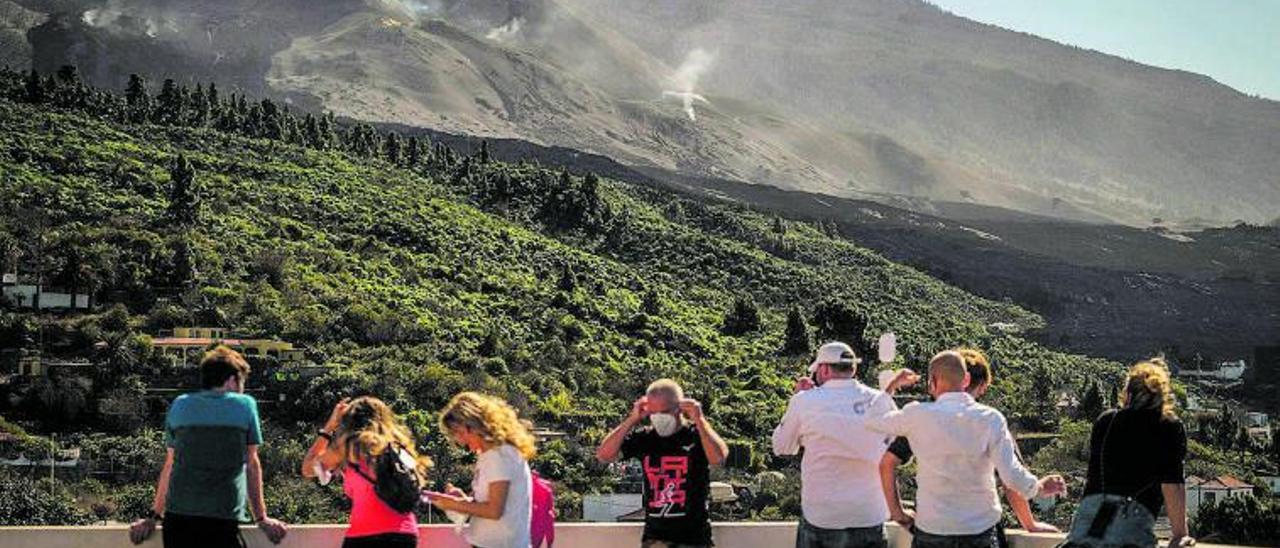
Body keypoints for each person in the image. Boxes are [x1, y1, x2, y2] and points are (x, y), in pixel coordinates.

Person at [866, 350, 1066, 548]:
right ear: (966, 379)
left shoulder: (916, 416)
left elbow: (873, 421)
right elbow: (1011, 475)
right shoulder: (991, 419)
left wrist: (892, 386)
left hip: (932, 531)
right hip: (980, 532)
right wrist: (1038, 487)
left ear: (932, 382)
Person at [129, 345, 288, 547]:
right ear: (232, 380)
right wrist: (261, 518)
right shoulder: (244, 405)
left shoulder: (180, 404)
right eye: (241, 383)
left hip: (177, 519)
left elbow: (170, 465)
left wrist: (153, 516)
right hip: (221, 518)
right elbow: (251, 464)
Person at [771, 342, 901, 548]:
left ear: (823, 369)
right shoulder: (880, 401)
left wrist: (796, 398)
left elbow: (782, 447)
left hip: (822, 518)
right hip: (869, 516)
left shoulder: (805, 401)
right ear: (854, 368)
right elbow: (895, 452)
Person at [1064, 359, 1193, 548]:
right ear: (1162, 394)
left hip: (1087, 525)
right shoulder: (1168, 425)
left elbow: (1093, 479)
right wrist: (1180, 534)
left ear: (1128, 393)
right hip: (1129, 526)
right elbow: (1172, 485)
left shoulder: (1106, 420)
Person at [596, 379, 730, 548]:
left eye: (664, 412)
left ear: (679, 409)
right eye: (653, 413)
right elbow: (604, 455)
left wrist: (700, 420)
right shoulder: (645, 439)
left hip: (694, 539)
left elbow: (718, 457)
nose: (658, 418)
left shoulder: (695, 436)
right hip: (655, 539)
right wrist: (631, 420)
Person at [301, 396, 432, 548]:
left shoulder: (350, 446)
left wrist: (330, 427)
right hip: (405, 535)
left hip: (365, 535)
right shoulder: (400, 448)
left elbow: (307, 468)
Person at [426, 392, 535, 548]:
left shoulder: (499, 455)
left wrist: (454, 504)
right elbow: (490, 504)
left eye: (461, 432)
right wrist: (464, 500)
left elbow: (494, 511)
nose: (460, 440)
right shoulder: (492, 455)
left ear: (477, 425)